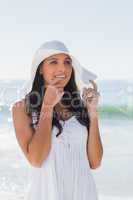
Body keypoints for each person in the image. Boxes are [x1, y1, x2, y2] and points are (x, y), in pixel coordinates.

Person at [12, 40, 103, 200]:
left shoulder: (80, 107)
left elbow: (95, 162)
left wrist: (92, 112)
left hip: (83, 193)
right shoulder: (22, 109)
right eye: (53, 62)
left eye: (67, 62)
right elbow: (36, 159)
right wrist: (47, 106)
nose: (62, 68)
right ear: (40, 68)